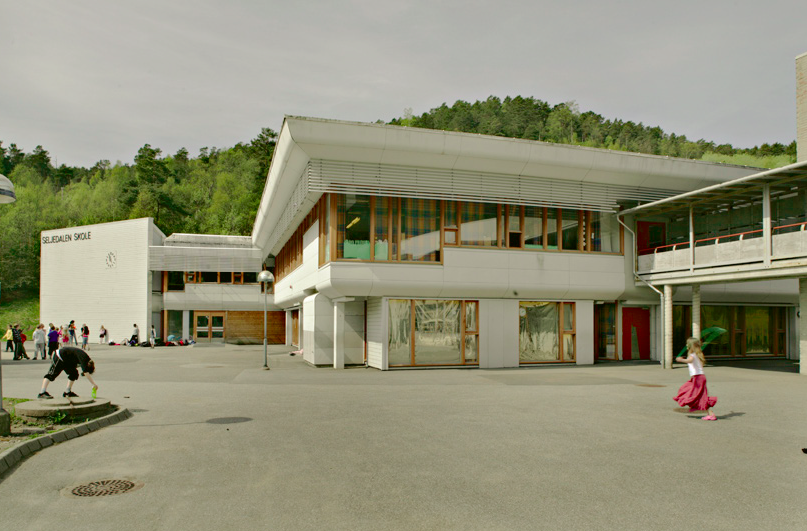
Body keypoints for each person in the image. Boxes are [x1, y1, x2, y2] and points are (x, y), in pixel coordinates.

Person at [674, 337, 718, 421]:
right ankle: (697, 407)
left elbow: (690, 360)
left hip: (698, 378)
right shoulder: (697, 354)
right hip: (697, 377)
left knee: (696, 395)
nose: (686, 345)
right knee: (688, 390)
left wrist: (681, 360)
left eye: (687, 344)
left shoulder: (693, 355)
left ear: (691, 346)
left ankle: (710, 414)